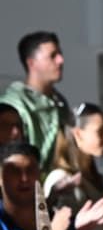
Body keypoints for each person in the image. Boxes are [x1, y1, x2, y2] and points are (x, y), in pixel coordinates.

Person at [0, 33, 72, 173]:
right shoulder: (14, 103)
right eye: (52, 56)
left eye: (60, 54)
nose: (60, 60)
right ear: (32, 63)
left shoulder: (60, 104)